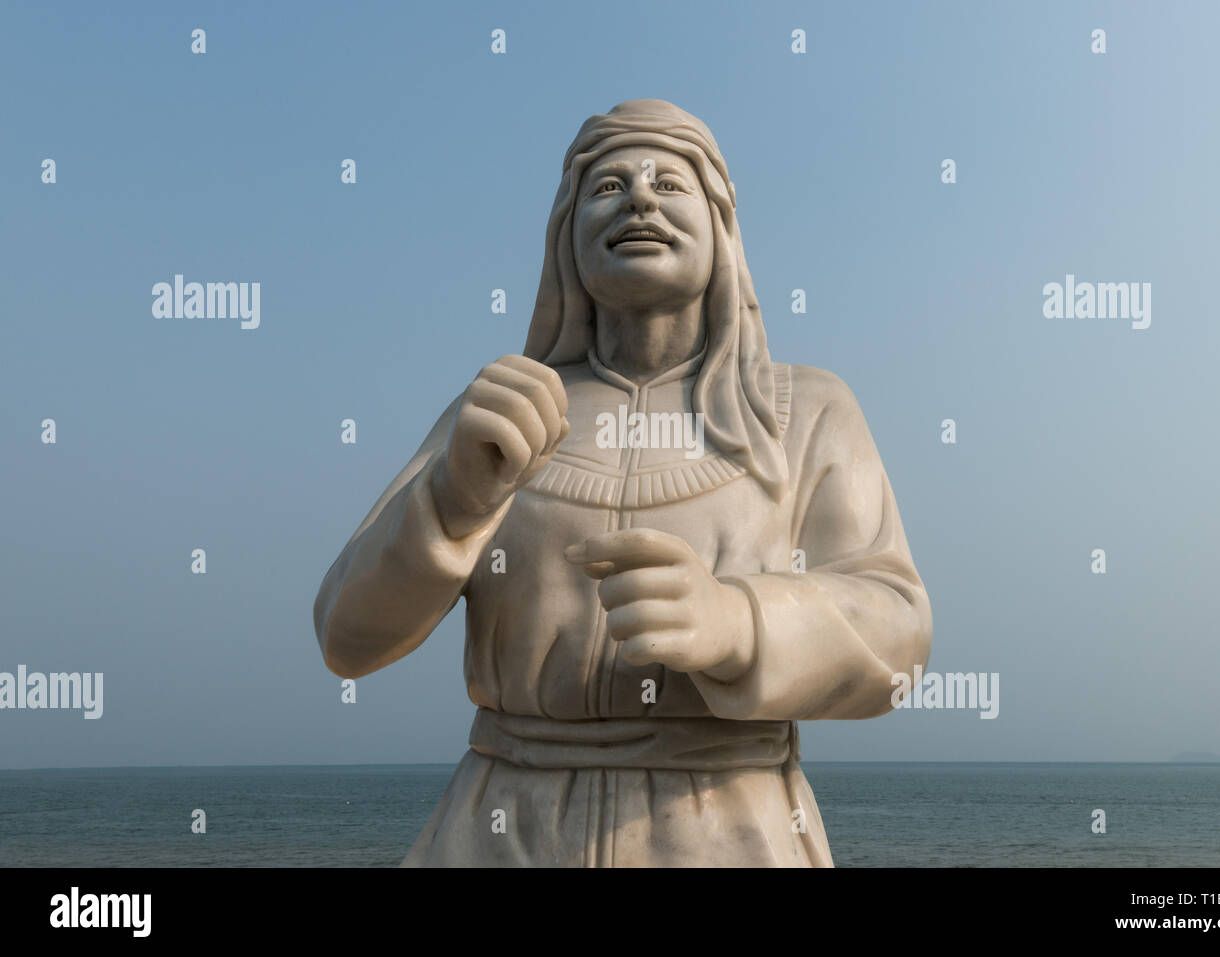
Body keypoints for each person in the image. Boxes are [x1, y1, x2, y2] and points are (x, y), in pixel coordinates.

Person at [312, 99, 933, 866]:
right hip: (501, 825)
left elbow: (900, 635)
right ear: (565, 235)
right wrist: (451, 503)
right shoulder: (497, 413)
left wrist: (739, 621)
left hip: (726, 824)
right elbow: (345, 636)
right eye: (607, 185)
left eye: (671, 184)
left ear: (721, 230)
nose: (639, 197)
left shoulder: (807, 412)